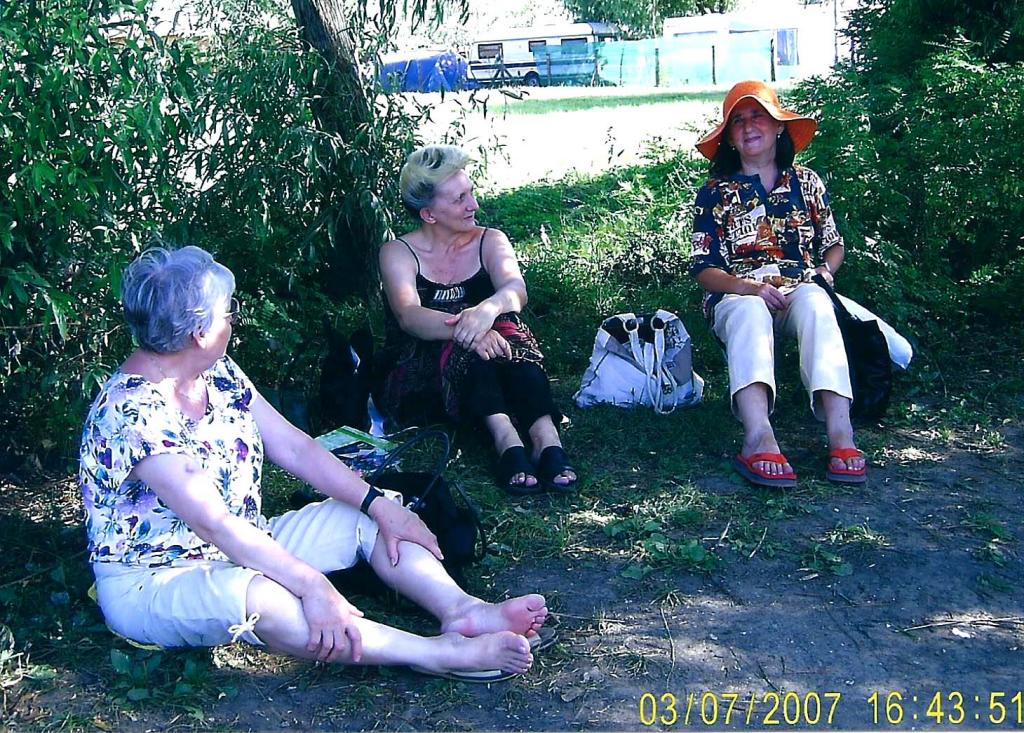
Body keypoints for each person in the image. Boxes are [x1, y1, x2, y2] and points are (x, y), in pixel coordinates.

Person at [79, 245, 551, 682]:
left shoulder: (214, 371)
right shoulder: (133, 412)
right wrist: (312, 586)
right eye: (229, 312)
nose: (234, 322)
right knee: (263, 599)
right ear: (199, 333)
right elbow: (216, 524)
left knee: (378, 515)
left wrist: (377, 503)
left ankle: (464, 611)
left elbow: (296, 448)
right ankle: (437, 654)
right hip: (157, 577)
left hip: (247, 538)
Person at [688, 80, 913, 487]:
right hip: (738, 293)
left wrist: (826, 271)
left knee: (816, 303)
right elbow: (704, 268)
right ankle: (759, 437)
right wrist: (750, 288)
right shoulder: (714, 193)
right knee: (750, 312)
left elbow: (833, 244)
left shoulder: (806, 183)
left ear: (779, 126)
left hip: (799, 287)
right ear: (730, 139)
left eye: (758, 116)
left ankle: (841, 433)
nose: (749, 126)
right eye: (738, 121)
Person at [378, 144, 577, 496]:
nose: (474, 205)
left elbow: (515, 290)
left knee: (515, 348)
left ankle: (546, 439)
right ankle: (506, 440)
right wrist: (466, 331)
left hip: (499, 341)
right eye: (460, 199)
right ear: (429, 214)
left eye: (471, 192)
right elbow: (409, 315)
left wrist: (487, 311)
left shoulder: (490, 240)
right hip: (427, 360)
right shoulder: (398, 252)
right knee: (474, 355)